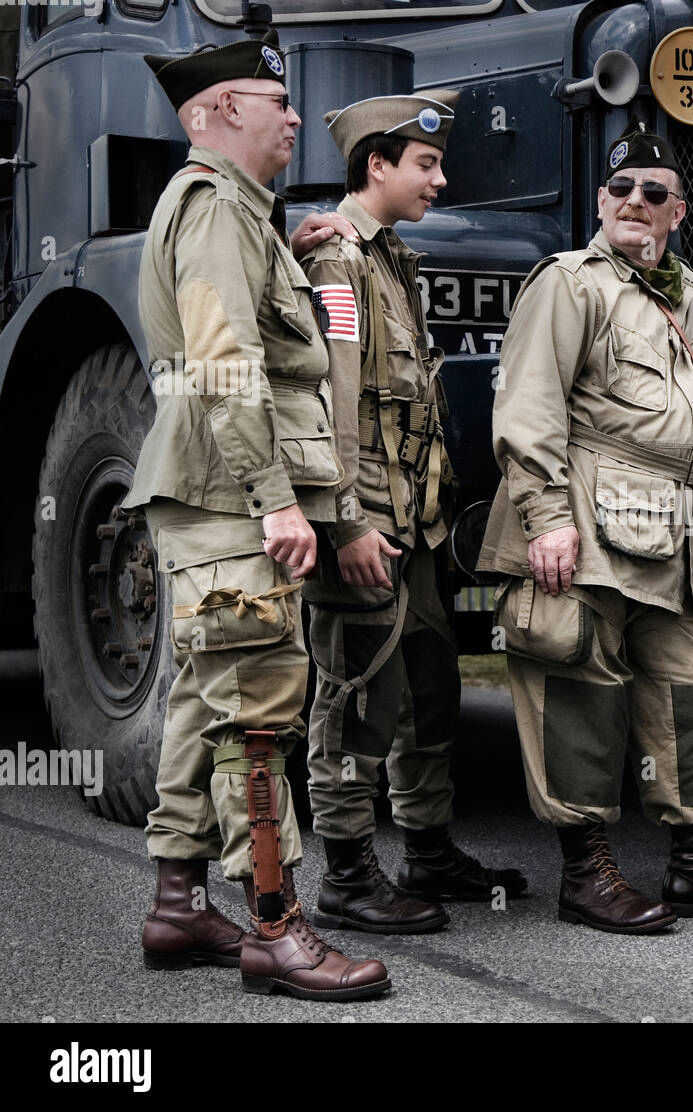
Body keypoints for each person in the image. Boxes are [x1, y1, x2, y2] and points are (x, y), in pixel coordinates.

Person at [478, 122, 693, 933]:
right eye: (620, 189)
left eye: (653, 192)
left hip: (671, 529)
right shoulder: (570, 282)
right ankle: (585, 874)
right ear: (601, 201)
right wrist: (546, 520)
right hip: (583, 519)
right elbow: (527, 409)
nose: (634, 202)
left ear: (676, 212)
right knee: (581, 687)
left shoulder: (683, 291)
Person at [127, 31, 389, 999]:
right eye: (274, 99)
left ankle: (177, 900)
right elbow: (225, 359)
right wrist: (278, 499)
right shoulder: (209, 209)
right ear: (221, 112)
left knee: (208, 702)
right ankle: (276, 927)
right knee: (260, 711)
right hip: (231, 496)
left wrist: (291, 245)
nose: (293, 115)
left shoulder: (242, 216)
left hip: (210, 492)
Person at [298, 93, 526, 934]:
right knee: (359, 694)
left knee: (429, 690)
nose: (440, 177)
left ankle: (427, 850)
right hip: (368, 528)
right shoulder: (339, 264)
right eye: (425, 164)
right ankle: (349, 875)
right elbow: (334, 405)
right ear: (377, 167)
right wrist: (347, 522)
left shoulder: (393, 257)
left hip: (416, 528)